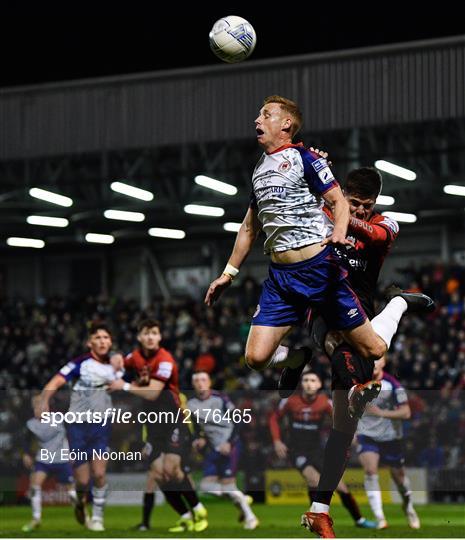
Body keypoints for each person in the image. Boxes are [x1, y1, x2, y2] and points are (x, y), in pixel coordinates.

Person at [294, 165, 432, 536]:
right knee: (333, 339)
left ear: (375, 205)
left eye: (364, 206)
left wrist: (335, 206)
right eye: (352, 203)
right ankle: (359, 379)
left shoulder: (386, 224)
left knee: (343, 430)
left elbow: (371, 234)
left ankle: (319, 509)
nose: (357, 211)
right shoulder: (323, 211)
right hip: (323, 309)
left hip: (362, 315)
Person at [108, 319, 208, 533]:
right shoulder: (134, 357)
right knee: (158, 474)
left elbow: (153, 393)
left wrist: (124, 385)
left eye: (154, 332)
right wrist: (114, 361)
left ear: (160, 337)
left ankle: (198, 507)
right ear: (139, 337)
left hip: (172, 420)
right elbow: (118, 364)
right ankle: (185, 515)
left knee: (172, 469)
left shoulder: (165, 360)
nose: (151, 337)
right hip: (152, 425)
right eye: (146, 333)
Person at [36, 322, 121, 532]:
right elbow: (57, 380)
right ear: (89, 342)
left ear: (110, 342)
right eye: (98, 337)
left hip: (101, 426)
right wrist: (44, 399)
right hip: (77, 426)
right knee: (83, 481)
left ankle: (99, 518)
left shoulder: (117, 365)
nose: (102, 341)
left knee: (99, 474)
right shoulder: (80, 363)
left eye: (106, 337)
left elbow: (136, 380)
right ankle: (82, 503)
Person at [269, 371, 376, 529]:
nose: (308, 383)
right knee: (314, 480)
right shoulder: (290, 401)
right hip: (297, 451)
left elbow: (341, 417)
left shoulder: (324, 402)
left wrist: (350, 435)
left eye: (313, 380)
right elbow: (273, 418)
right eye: (305, 380)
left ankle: (359, 520)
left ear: (319, 385)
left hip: (318, 451)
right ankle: (316, 521)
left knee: (341, 487)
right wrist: (277, 441)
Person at [188, 371, 259, 530]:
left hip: (229, 446)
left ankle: (251, 518)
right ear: (193, 384)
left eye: (203, 379)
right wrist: (198, 438)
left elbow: (238, 421)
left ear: (209, 382)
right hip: (212, 448)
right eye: (197, 380)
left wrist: (229, 442)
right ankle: (241, 498)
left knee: (228, 485)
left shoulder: (220, 399)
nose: (200, 383)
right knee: (207, 487)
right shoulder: (191, 404)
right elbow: (196, 428)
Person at [357, 356, 420, 530]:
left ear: (384, 362)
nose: (373, 363)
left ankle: (408, 507)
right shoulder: (358, 383)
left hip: (390, 437)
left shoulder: (393, 385)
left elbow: (406, 413)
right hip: (366, 435)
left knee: (399, 478)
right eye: (370, 359)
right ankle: (380, 518)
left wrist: (381, 413)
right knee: (370, 471)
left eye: (377, 359)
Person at [21, 395, 77, 532]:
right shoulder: (31, 424)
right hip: (44, 460)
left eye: (39, 406)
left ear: (46, 407)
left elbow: (72, 433)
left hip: (62, 459)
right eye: (34, 407)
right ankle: (36, 519)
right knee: (35, 485)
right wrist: (26, 454)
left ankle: (83, 516)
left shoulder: (59, 418)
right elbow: (25, 441)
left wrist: (73, 451)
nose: (37, 409)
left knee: (72, 492)